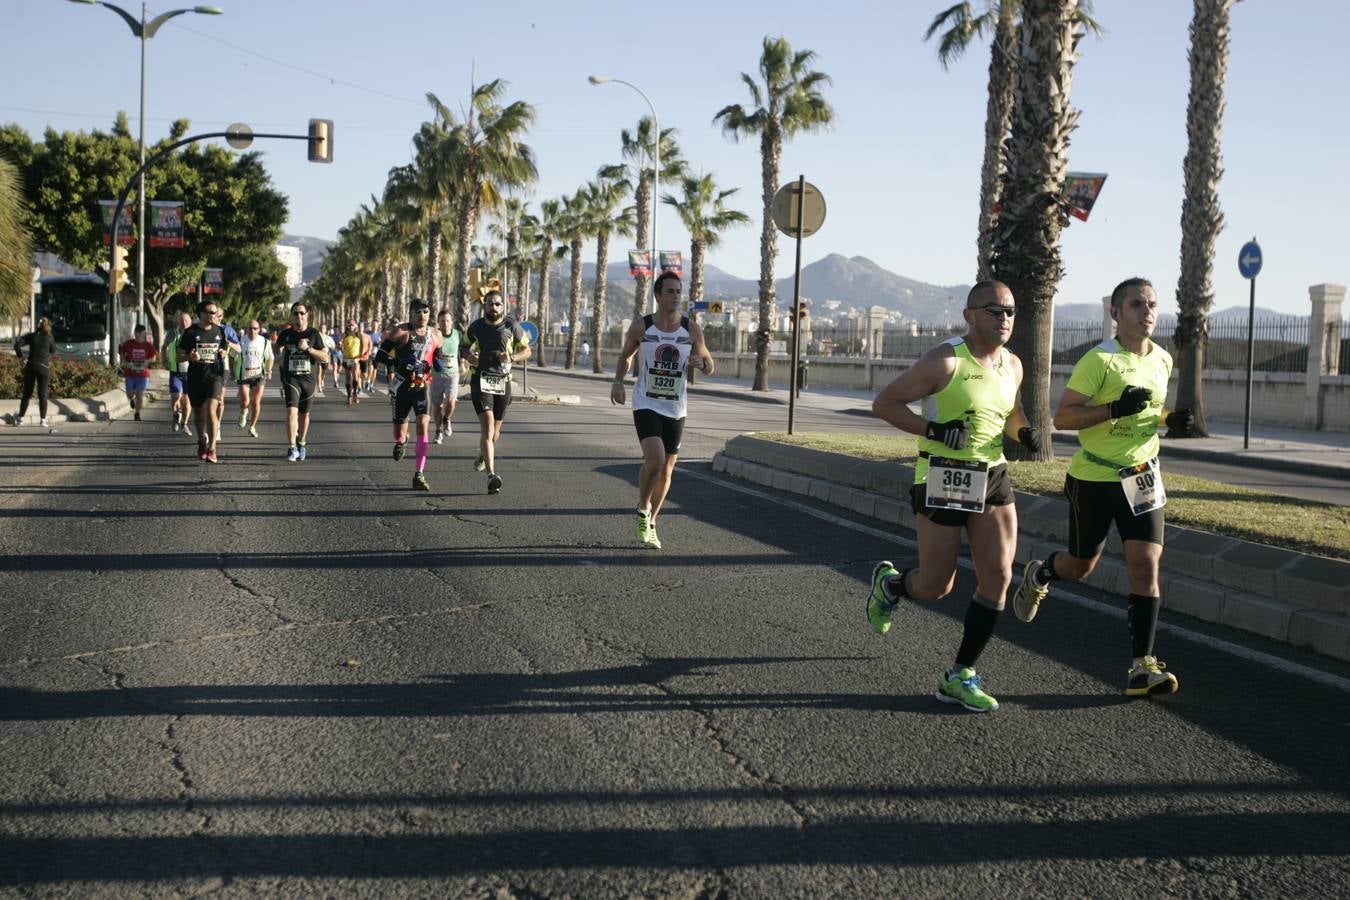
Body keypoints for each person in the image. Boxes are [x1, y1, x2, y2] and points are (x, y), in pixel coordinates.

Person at [1012, 277, 1195, 698]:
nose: (1147, 311)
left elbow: (1148, 411)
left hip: (1143, 477)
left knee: (1145, 564)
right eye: (1137, 305)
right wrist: (1113, 408)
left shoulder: (1162, 359)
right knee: (1081, 566)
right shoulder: (1099, 360)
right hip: (1094, 478)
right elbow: (1063, 418)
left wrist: (1169, 420)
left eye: (1152, 304)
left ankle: (1141, 666)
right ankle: (1041, 573)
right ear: (1116, 313)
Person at [865, 280, 1039, 714]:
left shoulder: (1013, 365)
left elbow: (1012, 412)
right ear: (970, 315)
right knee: (936, 585)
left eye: (1010, 311)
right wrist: (935, 430)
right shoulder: (946, 360)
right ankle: (890, 585)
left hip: (993, 473)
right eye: (995, 310)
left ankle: (960, 674)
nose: (1004, 319)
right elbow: (885, 403)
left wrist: (1024, 433)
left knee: (998, 577)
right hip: (943, 474)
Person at [609, 271, 714, 549]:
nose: (676, 296)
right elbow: (626, 356)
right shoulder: (641, 327)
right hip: (646, 402)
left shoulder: (691, 330)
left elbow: (709, 364)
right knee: (654, 460)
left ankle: (652, 521)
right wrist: (618, 383)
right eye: (670, 291)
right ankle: (643, 507)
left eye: (679, 291)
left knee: (667, 472)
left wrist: (702, 364)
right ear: (657, 295)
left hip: (676, 407)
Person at [463, 290, 531, 494]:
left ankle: (483, 455)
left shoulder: (511, 325)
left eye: (497, 304)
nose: (494, 307)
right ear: (484, 306)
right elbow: (463, 347)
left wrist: (512, 358)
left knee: (495, 432)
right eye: (490, 304)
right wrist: (469, 356)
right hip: (480, 380)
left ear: (503, 306)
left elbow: (527, 350)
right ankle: (491, 475)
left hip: (503, 381)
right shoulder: (476, 327)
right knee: (488, 426)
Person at [372, 299, 441, 491]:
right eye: (418, 312)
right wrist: (399, 362)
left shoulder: (436, 335)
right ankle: (402, 440)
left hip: (422, 386)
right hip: (402, 386)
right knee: (398, 433)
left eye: (426, 312)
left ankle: (419, 474)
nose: (422, 316)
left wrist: (439, 364)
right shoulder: (400, 332)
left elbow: (438, 358)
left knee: (423, 423)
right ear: (410, 314)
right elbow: (379, 356)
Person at [177, 299, 239, 462]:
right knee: (198, 414)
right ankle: (201, 441)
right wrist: (189, 357)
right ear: (201, 314)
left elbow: (228, 350)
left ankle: (212, 449)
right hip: (196, 377)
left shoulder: (220, 331)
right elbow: (178, 356)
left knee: (211, 411)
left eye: (216, 313)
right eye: (211, 312)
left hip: (215, 376)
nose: (214, 315)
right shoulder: (190, 332)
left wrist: (224, 353)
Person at [274, 301, 329, 461]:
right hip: (291, 378)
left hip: (308, 379)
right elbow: (277, 346)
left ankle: (302, 443)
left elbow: (325, 357)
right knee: (291, 411)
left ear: (307, 316)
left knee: (304, 415)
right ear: (291, 316)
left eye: (302, 313)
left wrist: (308, 349)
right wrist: (279, 357)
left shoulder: (314, 334)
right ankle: (292, 447)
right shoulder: (286, 334)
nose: (299, 316)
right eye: (295, 313)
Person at [11, 317, 57, 427]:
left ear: (37, 326)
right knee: (42, 395)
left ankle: (20, 418)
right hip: (44, 367)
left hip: (31, 366)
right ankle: (43, 420)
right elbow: (53, 351)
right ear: (48, 326)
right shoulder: (49, 337)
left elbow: (17, 345)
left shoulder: (31, 336)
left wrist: (21, 357)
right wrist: (45, 356)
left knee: (27, 394)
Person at [431, 308, 465, 444]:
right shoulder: (435, 335)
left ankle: (447, 418)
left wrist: (463, 363)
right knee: (437, 405)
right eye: (442, 321)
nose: (445, 323)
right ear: (438, 322)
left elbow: (462, 350)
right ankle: (438, 431)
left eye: (447, 321)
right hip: (436, 375)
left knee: (451, 401)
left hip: (453, 374)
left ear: (452, 322)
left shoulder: (457, 334)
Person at [234, 319, 273, 437]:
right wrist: (232, 371)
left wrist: (269, 370)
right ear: (246, 329)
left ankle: (252, 427)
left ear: (259, 330)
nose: (252, 331)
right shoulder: (241, 340)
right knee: (245, 401)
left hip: (259, 375)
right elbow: (233, 356)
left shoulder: (264, 342)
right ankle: (243, 413)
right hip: (244, 375)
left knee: (256, 402)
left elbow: (270, 358)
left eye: (255, 328)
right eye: (250, 328)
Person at [118, 324, 157, 422]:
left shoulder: (148, 345)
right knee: (130, 394)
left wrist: (148, 361)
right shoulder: (128, 344)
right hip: (130, 374)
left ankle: (137, 413)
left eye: (143, 334)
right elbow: (121, 351)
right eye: (141, 334)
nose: (143, 336)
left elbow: (154, 357)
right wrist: (124, 362)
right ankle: (132, 399)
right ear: (136, 333)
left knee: (139, 394)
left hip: (143, 375)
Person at [163, 311, 193, 436]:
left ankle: (184, 424)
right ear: (178, 322)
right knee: (175, 397)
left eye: (186, 320)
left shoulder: (194, 334)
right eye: (182, 320)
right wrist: (164, 360)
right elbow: (164, 346)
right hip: (175, 371)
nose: (184, 323)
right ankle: (176, 415)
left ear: (190, 322)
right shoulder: (172, 334)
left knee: (186, 401)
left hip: (189, 373)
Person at [340, 319, 364, 405]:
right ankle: (349, 396)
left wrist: (360, 356)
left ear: (355, 326)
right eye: (349, 325)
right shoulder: (344, 334)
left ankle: (355, 394)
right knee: (348, 377)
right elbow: (340, 346)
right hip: (347, 358)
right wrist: (340, 346)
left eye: (352, 325)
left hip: (356, 358)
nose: (351, 326)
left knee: (355, 376)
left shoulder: (358, 334)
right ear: (347, 326)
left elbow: (362, 346)